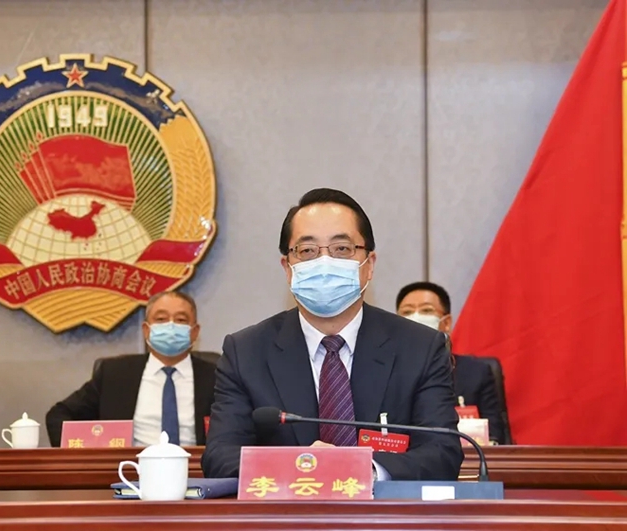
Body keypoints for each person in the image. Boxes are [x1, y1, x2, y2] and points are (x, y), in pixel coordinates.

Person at [202, 188, 463, 480]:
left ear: (369, 265)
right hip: (287, 508)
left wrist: (359, 469)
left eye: (342, 249)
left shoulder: (421, 348)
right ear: (288, 268)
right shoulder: (245, 352)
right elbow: (220, 458)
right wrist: (305, 468)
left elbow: (443, 453)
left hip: (382, 508)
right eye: (307, 251)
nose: (324, 262)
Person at [46, 291, 216, 447]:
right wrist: (84, 458)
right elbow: (58, 415)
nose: (170, 326)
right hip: (129, 466)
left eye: (181, 320)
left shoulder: (217, 378)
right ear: (146, 330)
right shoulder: (115, 374)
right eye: (161, 319)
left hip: (195, 467)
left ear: (195, 332)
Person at [396, 282, 505, 445]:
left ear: (446, 323)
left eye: (426, 310)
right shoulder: (383, 371)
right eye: (407, 312)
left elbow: (494, 436)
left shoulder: (477, 373)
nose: (415, 317)